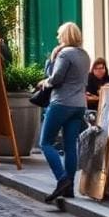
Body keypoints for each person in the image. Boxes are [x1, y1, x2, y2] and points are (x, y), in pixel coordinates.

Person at [38, 22, 91, 203]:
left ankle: (62, 179)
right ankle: (69, 188)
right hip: (79, 105)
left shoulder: (64, 53)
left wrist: (45, 80)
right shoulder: (85, 55)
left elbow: (56, 78)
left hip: (62, 103)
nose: (58, 37)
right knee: (70, 146)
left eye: (59, 34)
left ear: (65, 36)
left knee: (45, 142)